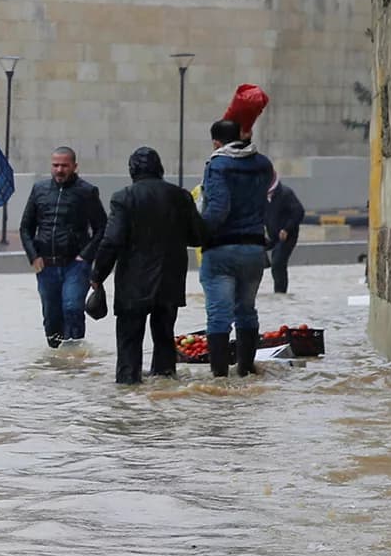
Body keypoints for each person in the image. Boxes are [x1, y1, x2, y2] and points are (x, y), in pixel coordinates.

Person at [91, 147, 207, 384]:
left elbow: (112, 241)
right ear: (160, 169)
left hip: (133, 286)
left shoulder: (123, 198)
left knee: (129, 345)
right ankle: (164, 391)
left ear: (132, 170)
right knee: (165, 340)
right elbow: (199, 237)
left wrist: (97, 274)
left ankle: (129, 396)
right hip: (170, 282)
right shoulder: (181, 196)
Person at [199, 118, 276, 377]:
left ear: (216, 143)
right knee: (246, 310)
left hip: (221, 249)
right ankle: (245, 369)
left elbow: (218, 208)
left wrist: (200, 232)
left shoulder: (217, 165)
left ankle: (219, 378)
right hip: (254, 249)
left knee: (219, 315)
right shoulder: (264, 164)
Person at [17, 146, 108, 348]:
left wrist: (86, 256)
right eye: (55, 165)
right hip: (45, 264)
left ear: (74, 166)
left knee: (72, 308)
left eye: (64, 166)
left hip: (75, 264)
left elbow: (102, 227)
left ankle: (74, 355)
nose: (59, 170)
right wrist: (33, 256)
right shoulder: (39, 189)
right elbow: (25, 228)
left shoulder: (87, 192)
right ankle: (56, 358)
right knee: (51, 315)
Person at [265, 179, 306, 294]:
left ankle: (280, 292)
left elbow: (299, 212)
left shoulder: (285, 193)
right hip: (272, 235)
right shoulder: (260, 195)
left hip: (287, 236)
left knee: (278, 263)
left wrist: (286, 229)